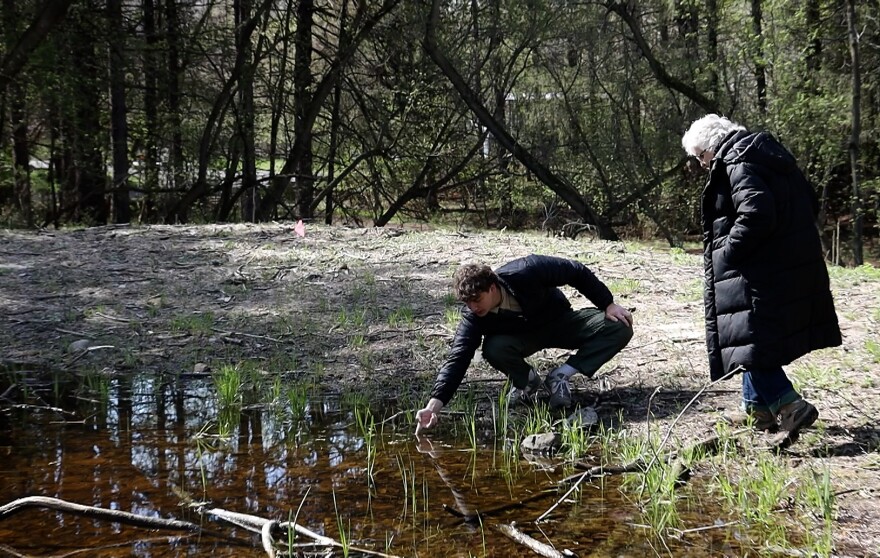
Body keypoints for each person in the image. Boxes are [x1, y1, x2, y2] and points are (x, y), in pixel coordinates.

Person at [681, 114, 842, 444]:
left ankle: (788, 404)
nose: (702, 165)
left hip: (758, 267)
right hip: (787, 261)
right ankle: (759, 410)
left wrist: (728, 252)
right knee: (750, 337)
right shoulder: (767, 154)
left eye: (700, 157)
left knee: (748, 337)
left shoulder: (735, 161)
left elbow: (756, 212)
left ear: (712, 146)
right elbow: (808, 202)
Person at [414, 254, 633, 434]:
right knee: (494, 348)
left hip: (559, 321)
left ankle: (560, 376)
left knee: (619, 327)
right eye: (467, 303)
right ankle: (528, 382)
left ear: (492, 287)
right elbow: (458, 358)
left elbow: (574, 270)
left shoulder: (526, 271)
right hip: (523, 337)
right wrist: (434, 406)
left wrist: (608, 303)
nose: (473, 308)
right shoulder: (473, 316)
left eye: (477, 300)